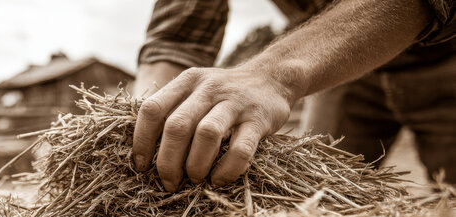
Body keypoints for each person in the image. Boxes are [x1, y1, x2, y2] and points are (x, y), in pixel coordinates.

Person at [131, 0, 456, 192]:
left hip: (446, 64)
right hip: (344, 71)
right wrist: (144, 115)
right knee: (321, 199)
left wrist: (274, 76)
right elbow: (181, 31)